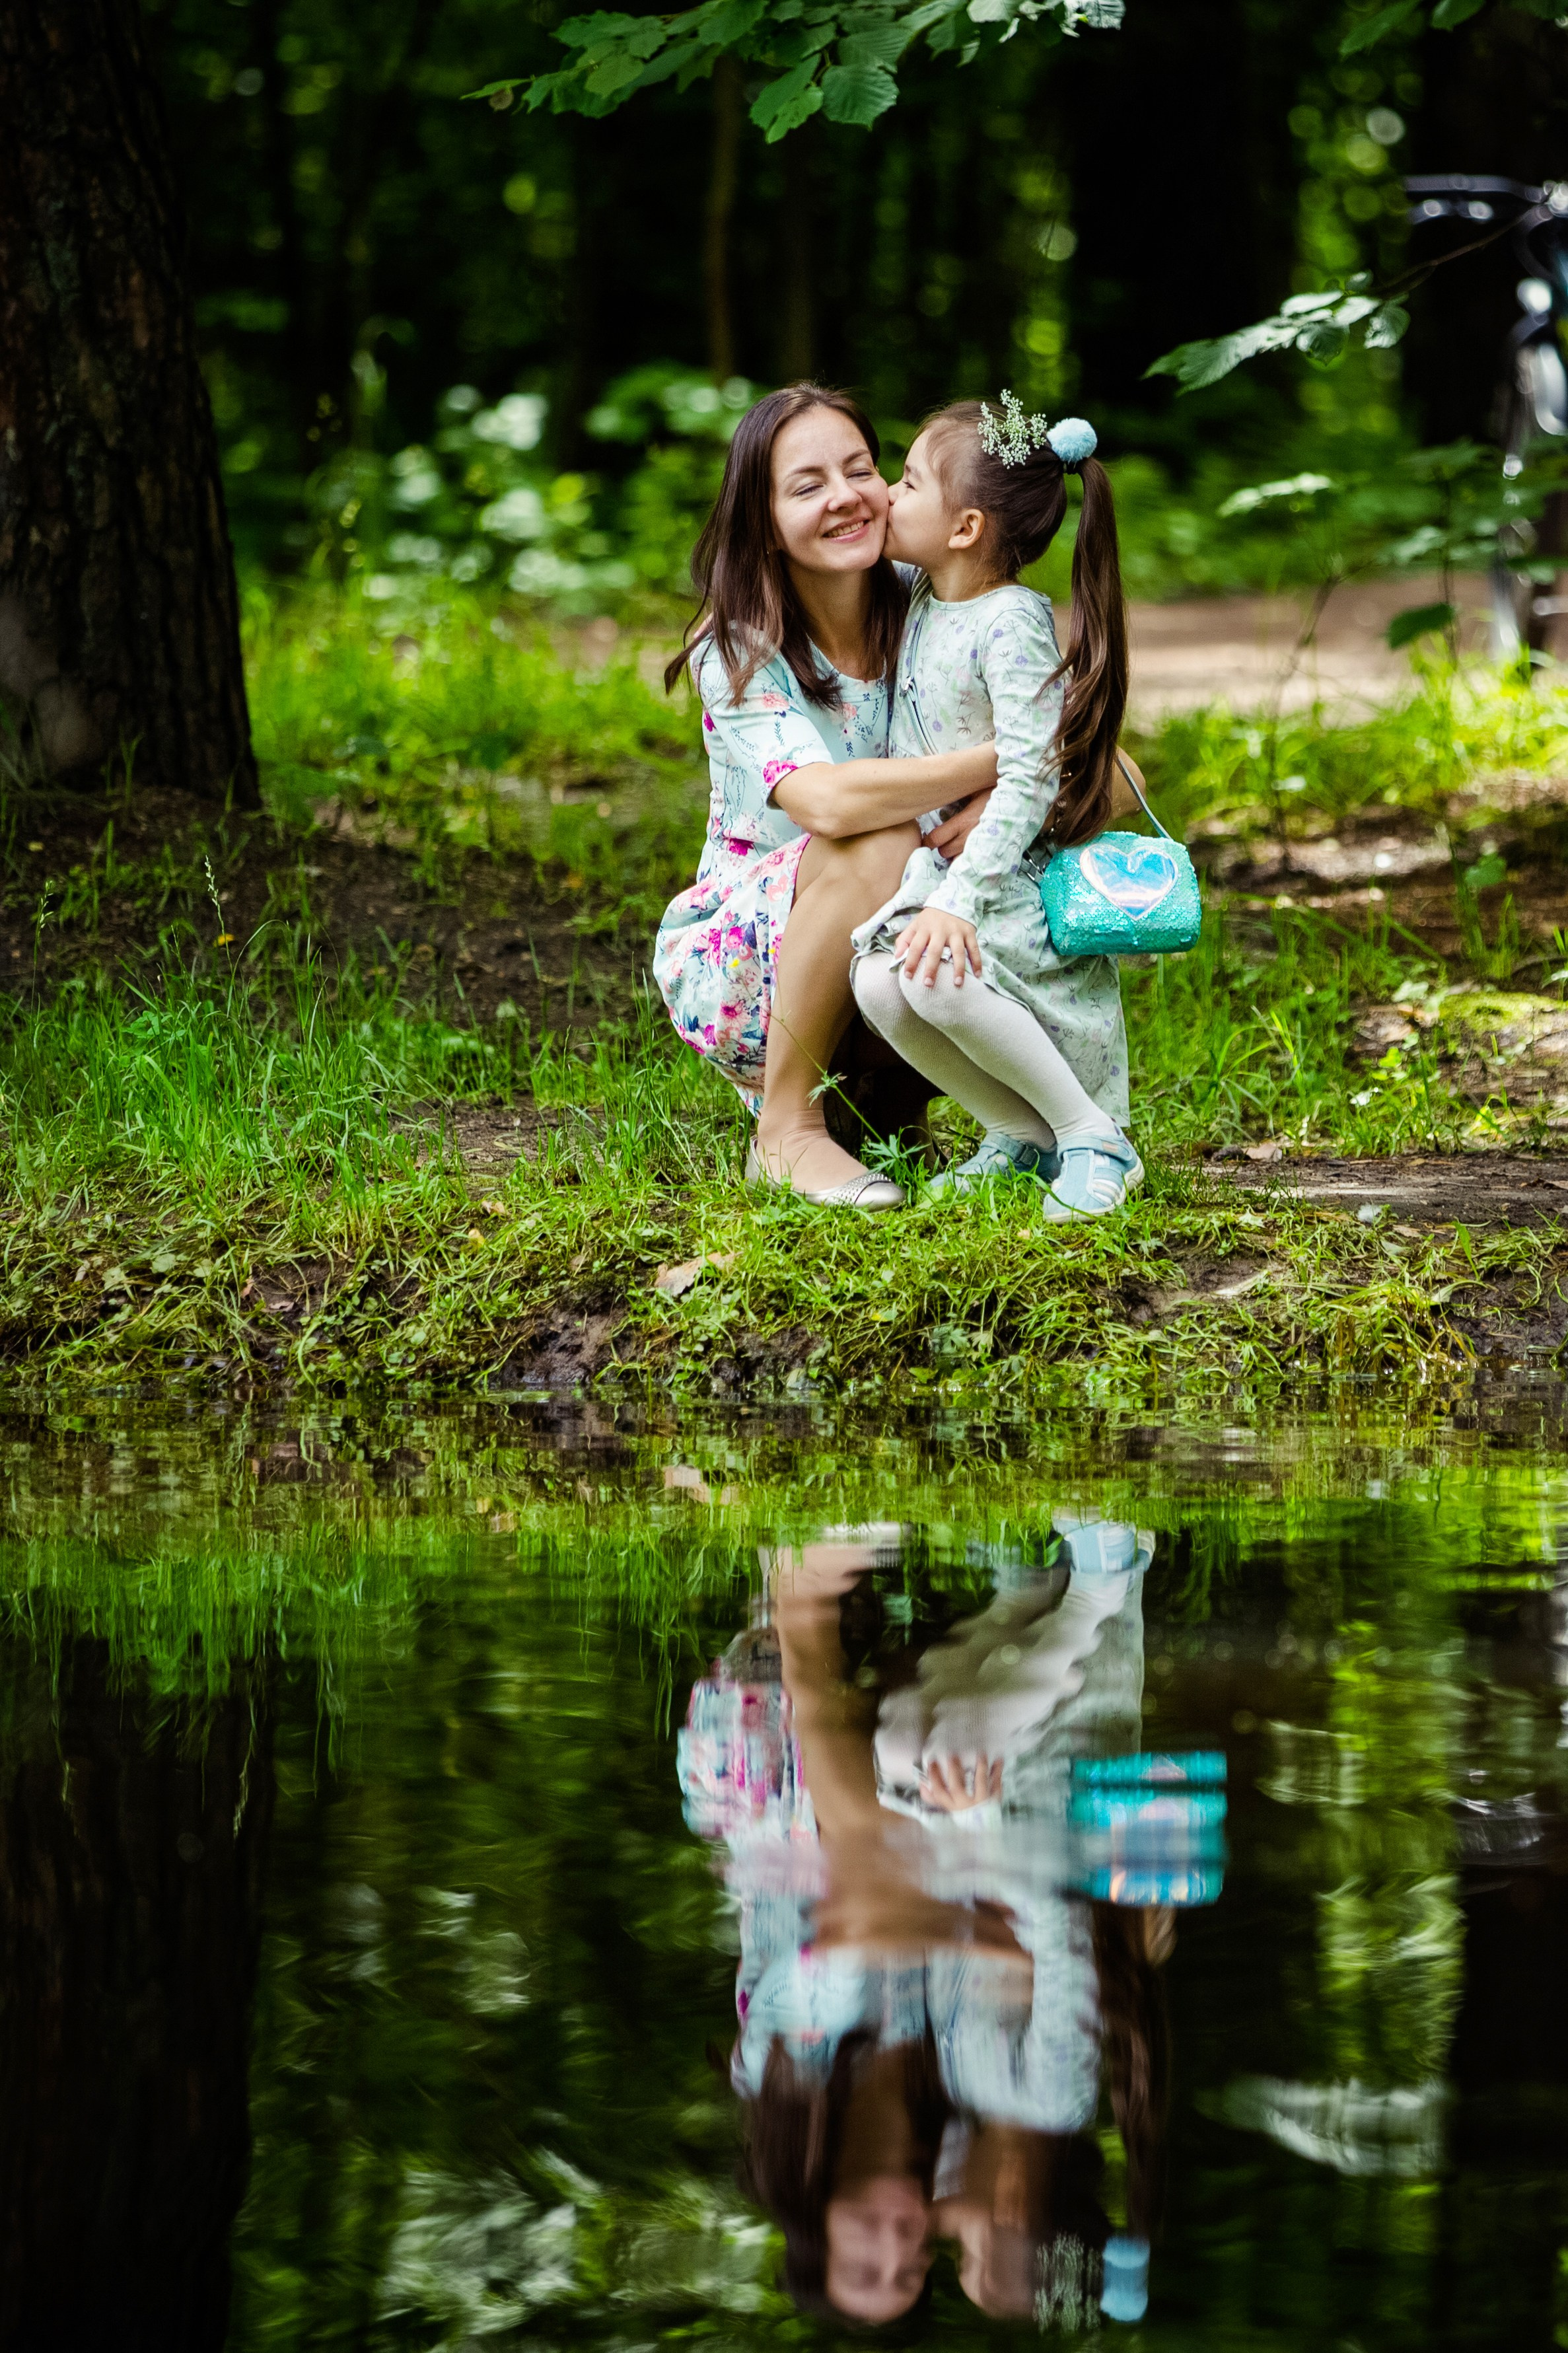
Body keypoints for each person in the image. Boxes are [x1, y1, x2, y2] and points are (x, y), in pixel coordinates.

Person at [653, 384, 1003, 1212]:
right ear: (763, 523)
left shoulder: (940, 598)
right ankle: (786, 1131)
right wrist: (1002, 761)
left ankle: (992, 1122)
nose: (846, 497)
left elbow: (1110, 768)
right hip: (748, 961)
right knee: (882, 844)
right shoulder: (736, 645)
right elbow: (828, 806)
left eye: (860, 470)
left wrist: (1014, 796)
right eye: (808, 486)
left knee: (1001, 845)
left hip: (906, 934)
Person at [849, 392, 1143, 1221]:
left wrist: (962, 899)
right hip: (940, 870)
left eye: (906, 483)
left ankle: (1095, 1139)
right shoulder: (923, 593)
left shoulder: (1009, 619)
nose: (886, 494)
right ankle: (1019, 1135)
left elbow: (1030, 771)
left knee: (934, 975)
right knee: (877, 982)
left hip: (1002, 877)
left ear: (966, 528)